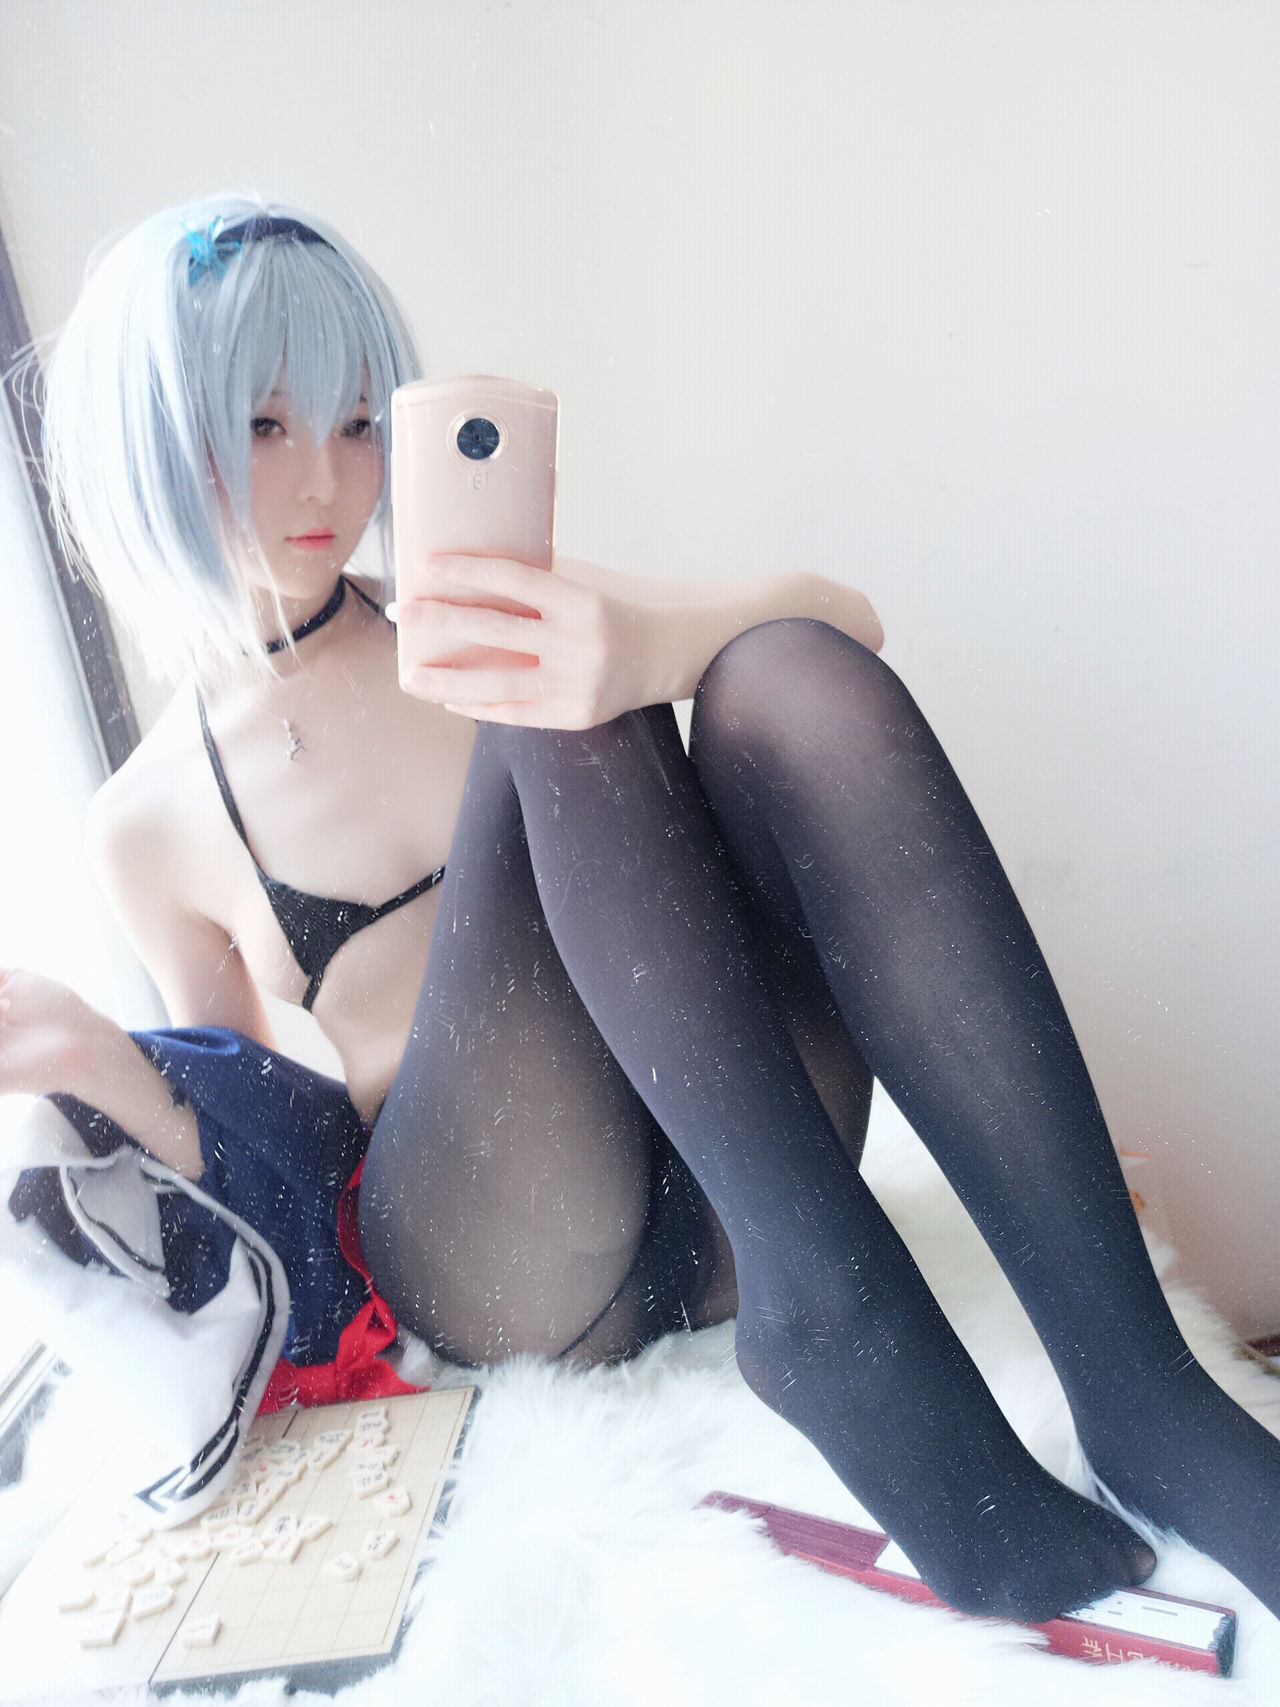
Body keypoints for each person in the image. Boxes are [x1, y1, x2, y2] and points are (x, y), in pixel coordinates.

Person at [2, 194, 1278, 1626]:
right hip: (500, 1252)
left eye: (362, 422)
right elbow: (267, 1167)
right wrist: (104, 1064)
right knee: (546, 699)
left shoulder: (461, 606)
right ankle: (838, 1323)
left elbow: (840, 624)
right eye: (264, 424)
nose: (328, 476)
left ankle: (1139, 1388)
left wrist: (646, 644)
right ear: (149, 441)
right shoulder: (147, 820)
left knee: (755, 676)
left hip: (738, 1191)